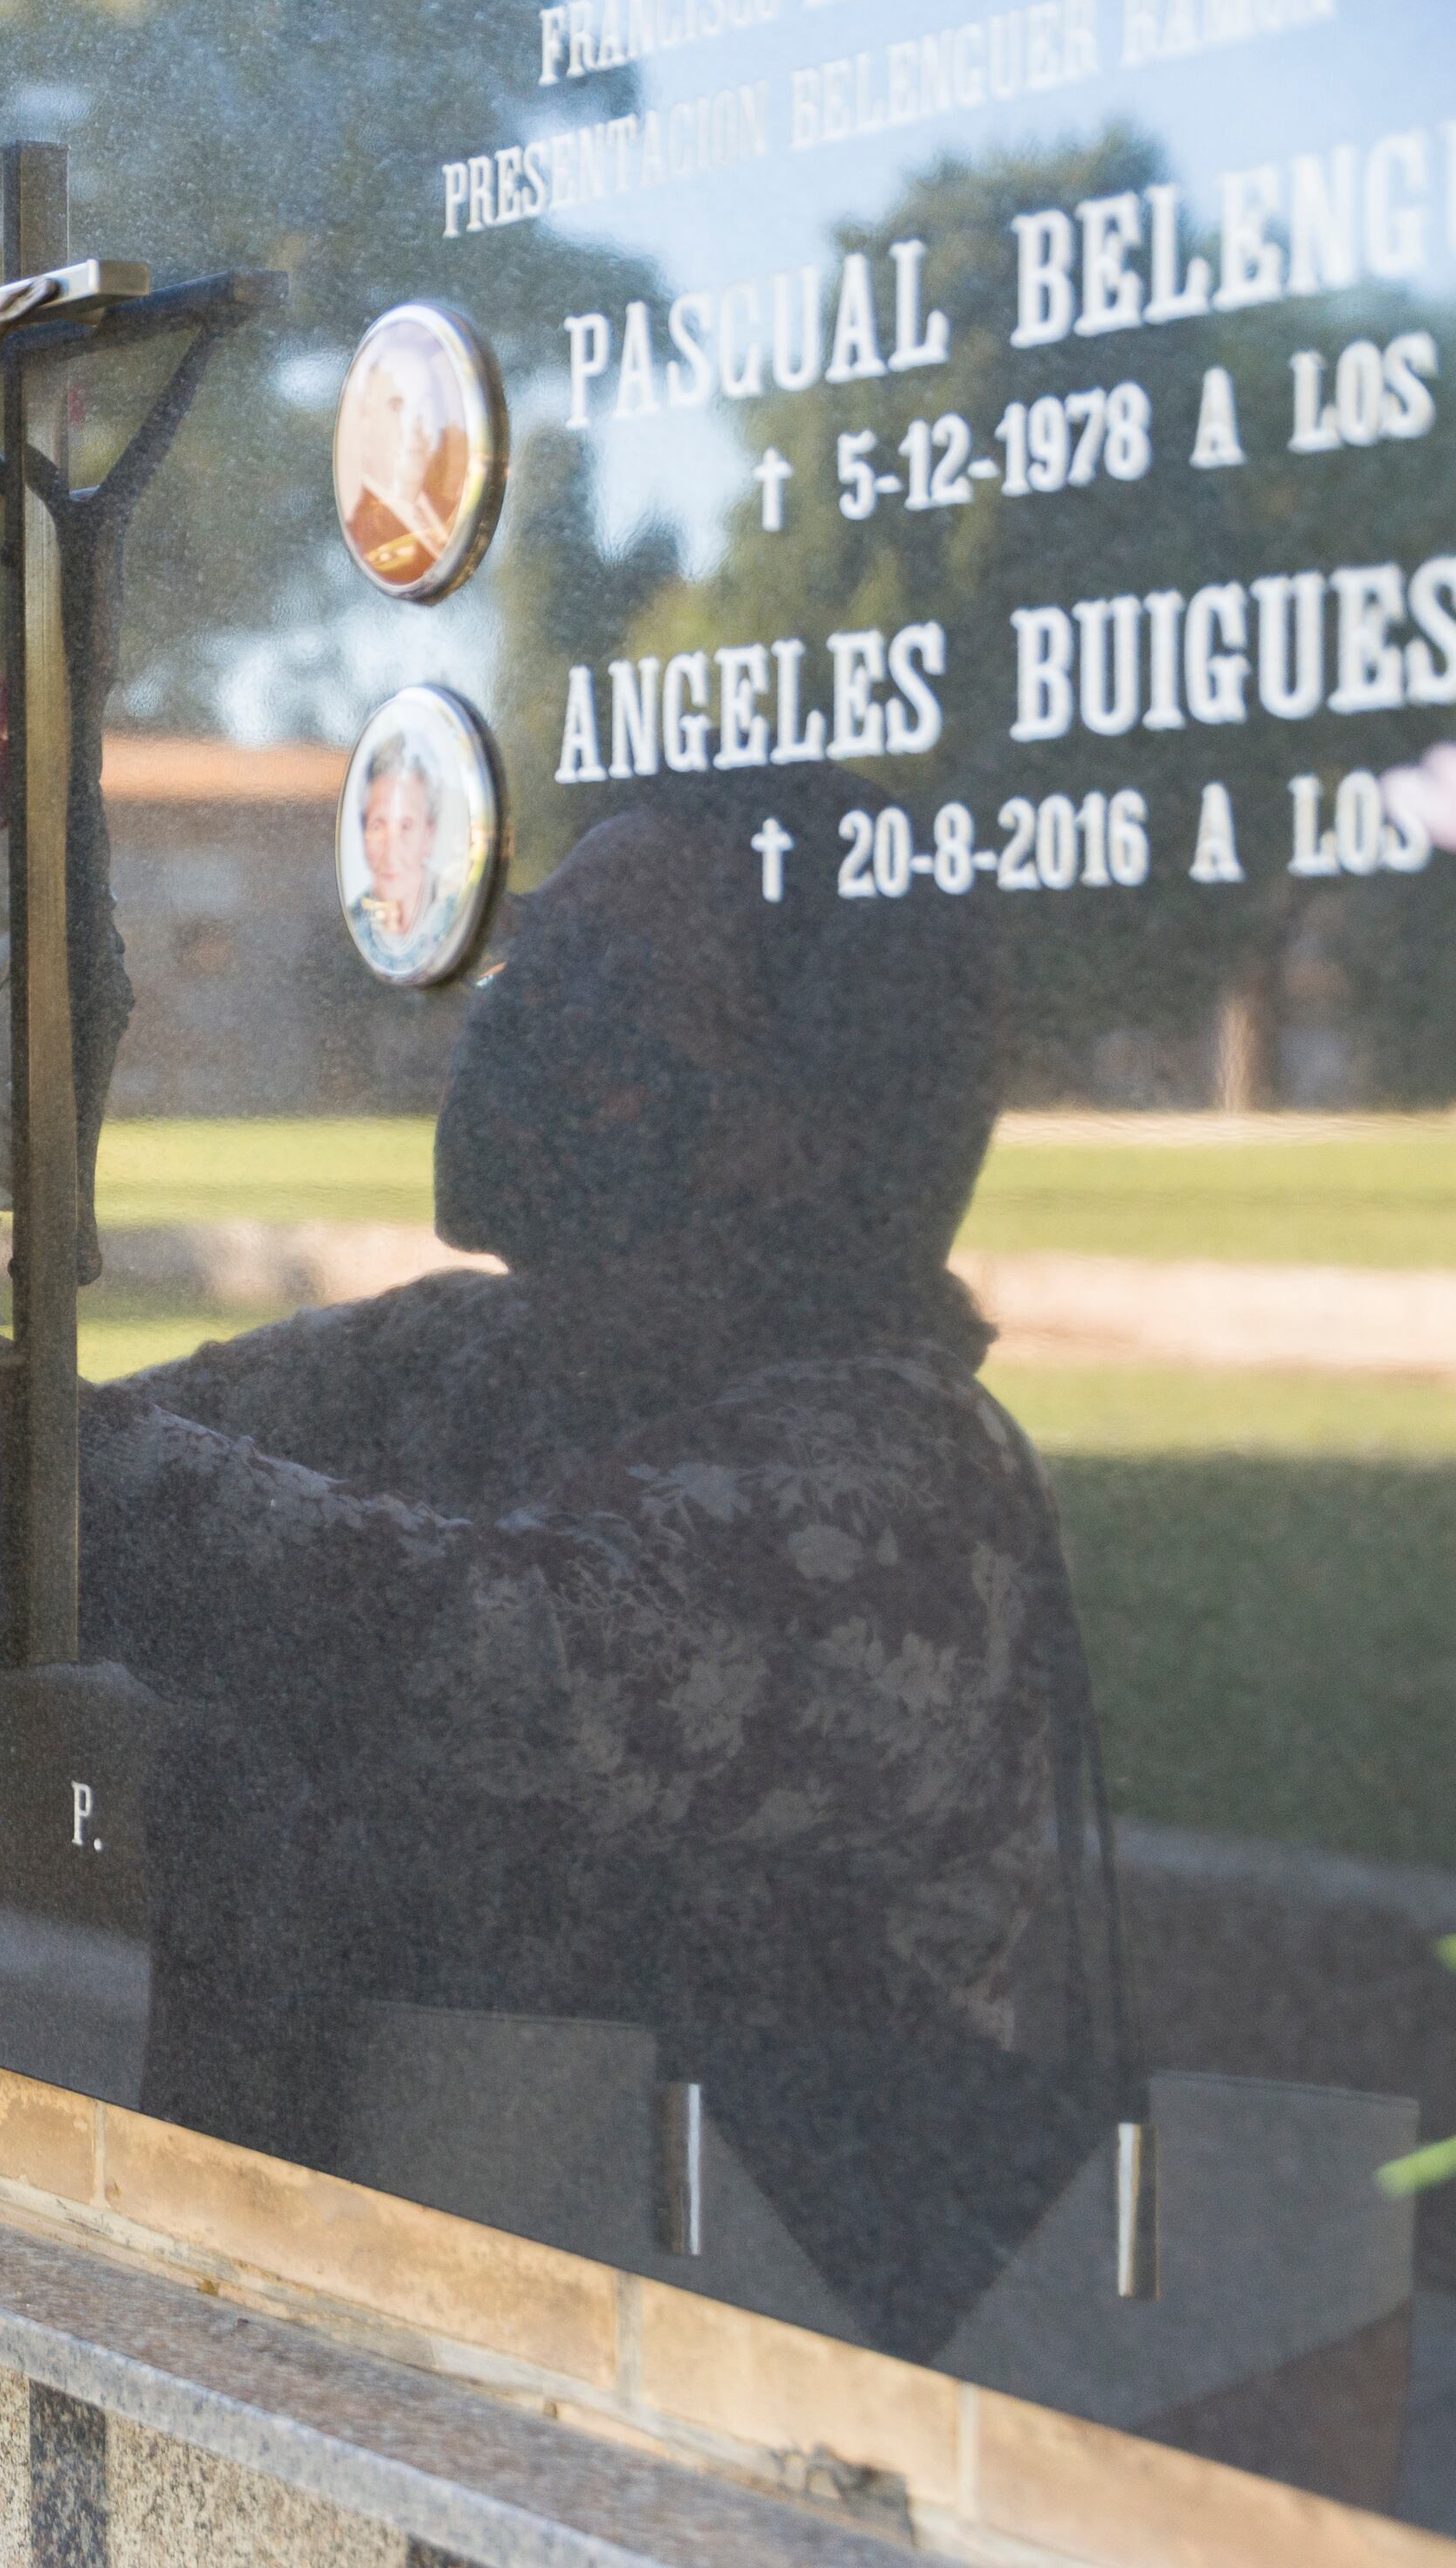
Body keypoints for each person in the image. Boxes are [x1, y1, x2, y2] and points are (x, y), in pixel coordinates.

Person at [85, 768, 1123, 2351]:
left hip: (691, 2424)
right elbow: (64, 1462)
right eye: (529, 962)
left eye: (601, 987)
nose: (513, 1015)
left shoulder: (898, 1495)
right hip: (359, 2336)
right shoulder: (481, 1355)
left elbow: (480, 1651)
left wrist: (4, 1464)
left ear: (793, 1133)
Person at [335, 332, 469, 593]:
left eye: (423, 407)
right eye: (396, 406)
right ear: (364, 422)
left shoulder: (450, 511)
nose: (413, 424)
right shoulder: (369, 538)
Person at [345, 732, 449, 972]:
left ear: (429, 835)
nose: (391, 853)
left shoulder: (458, 917)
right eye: (378, 825)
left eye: (406, 826)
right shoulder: (348, 931)